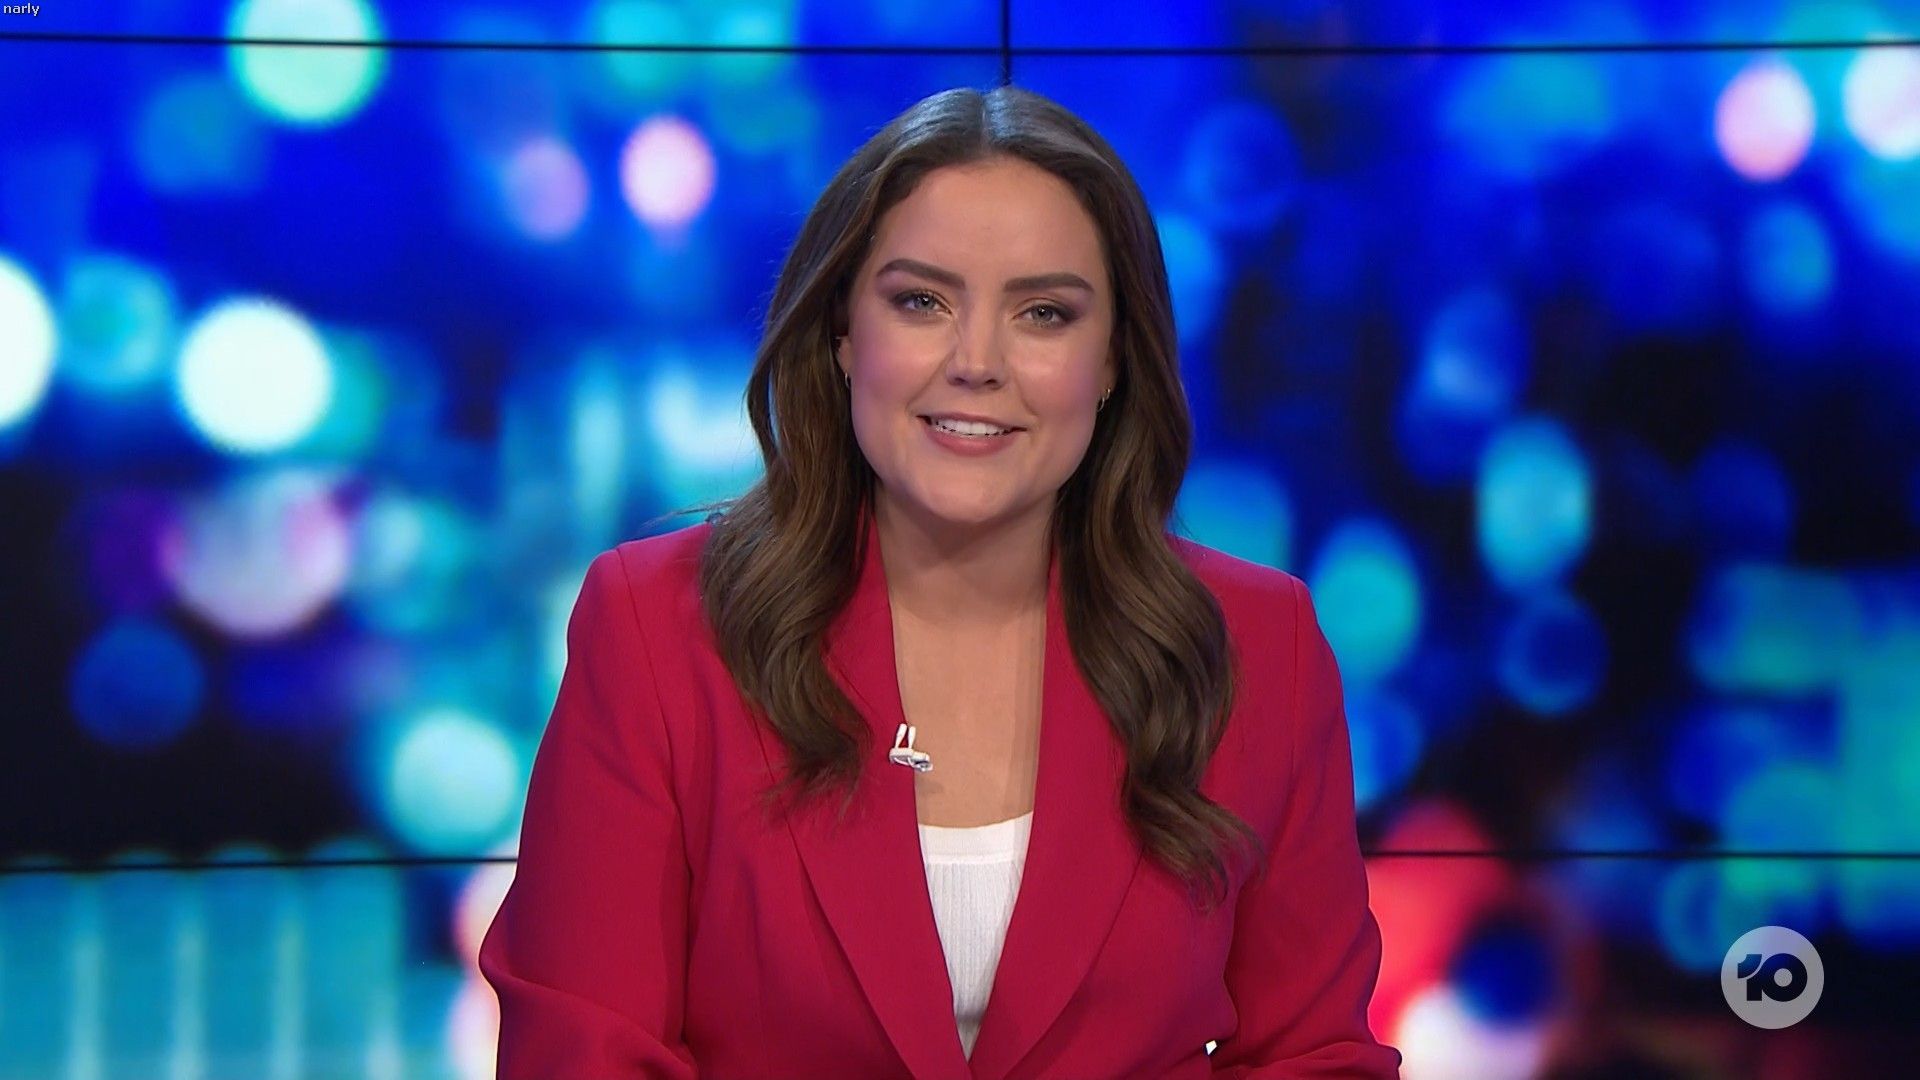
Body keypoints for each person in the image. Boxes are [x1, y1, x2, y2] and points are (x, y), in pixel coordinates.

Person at [480, 83, 1402, 1079]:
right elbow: (581, 1050)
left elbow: (1314, 1055)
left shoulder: (1257, 646)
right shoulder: (657, 630)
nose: (977, 363)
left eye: (1044, 314)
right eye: (921, 302)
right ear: (843, 331)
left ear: (1111, 362)